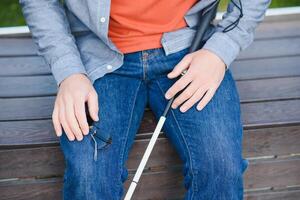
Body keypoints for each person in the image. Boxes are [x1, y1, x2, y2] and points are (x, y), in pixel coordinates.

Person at [20, 0, 271, 199]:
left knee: (221, 169)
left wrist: (221, 50)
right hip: (97, 54)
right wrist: (69, 73)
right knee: (89, 176)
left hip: (191, 49)